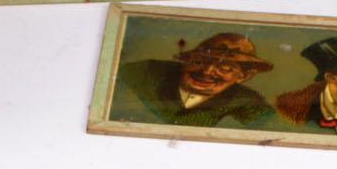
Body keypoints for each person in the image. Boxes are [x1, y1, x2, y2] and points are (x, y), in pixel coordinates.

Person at [112, 33, 275, 129]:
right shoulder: (143, 72)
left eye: (225, 68)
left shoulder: (251, 104)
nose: (207, 71)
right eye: (198, 62)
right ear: (186, 61)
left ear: (244, 76)